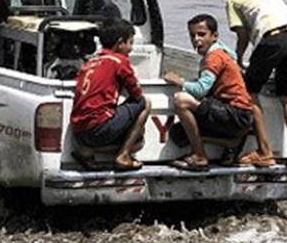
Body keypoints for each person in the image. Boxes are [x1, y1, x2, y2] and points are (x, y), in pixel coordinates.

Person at [216, 0, 287, 171]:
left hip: (273, 38)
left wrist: (238, 57)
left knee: (249, 91)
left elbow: (242, 34)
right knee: (286, 94)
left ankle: (265, 152)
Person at [163, 14, 255, 171]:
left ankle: (200, 156)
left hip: (235, 115)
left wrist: (180, 82)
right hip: (240, 116)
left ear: (214, 36)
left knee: (181, 100)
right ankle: (231, 142)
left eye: (202, 34)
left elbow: (201, 89)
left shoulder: (214, 57)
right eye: (192, 36)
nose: (196, 40)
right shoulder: (223, 51)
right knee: (178, 134)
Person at [70, 18, 151, 171]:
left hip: (79, 132)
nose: (131, 48)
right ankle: (124, 155)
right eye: (130, 43)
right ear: (120, 43)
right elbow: (137, 93)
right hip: (100, 129)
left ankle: (86, 152)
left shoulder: (89, 63)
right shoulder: (119, 61)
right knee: (145, 103)